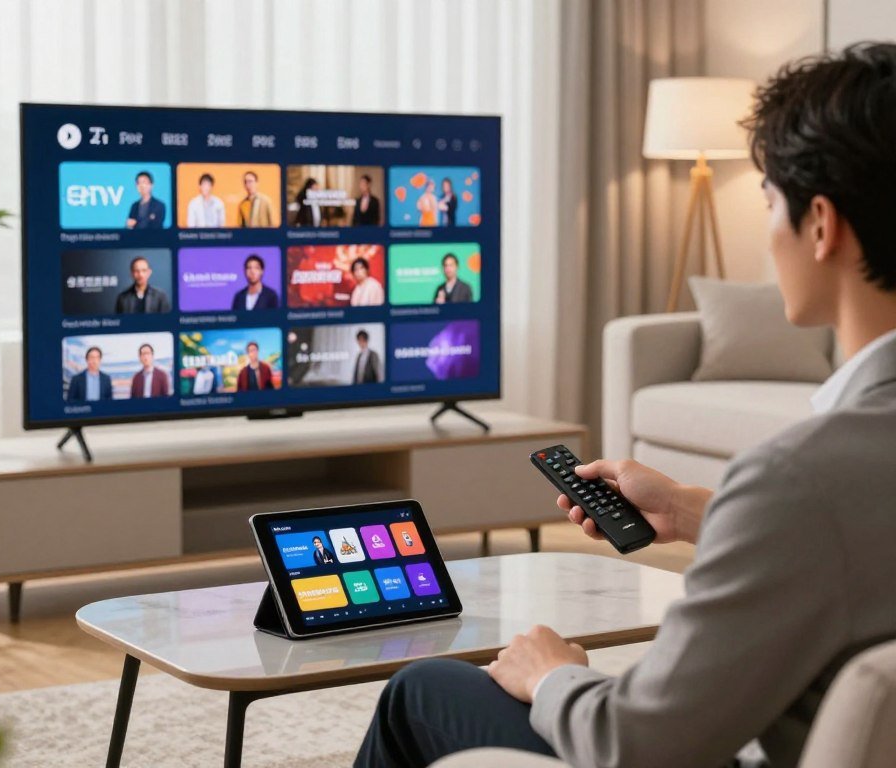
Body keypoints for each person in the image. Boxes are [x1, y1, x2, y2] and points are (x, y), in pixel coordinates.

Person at [355, 42, 896, 768]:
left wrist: (553, 675)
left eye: (769, 201)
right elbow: (854, 540)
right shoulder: (825, 482)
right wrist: (692, 509)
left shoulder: (799, 478)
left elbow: (636, 743)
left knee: (420, 690)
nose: (768, 235)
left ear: (822, 225)